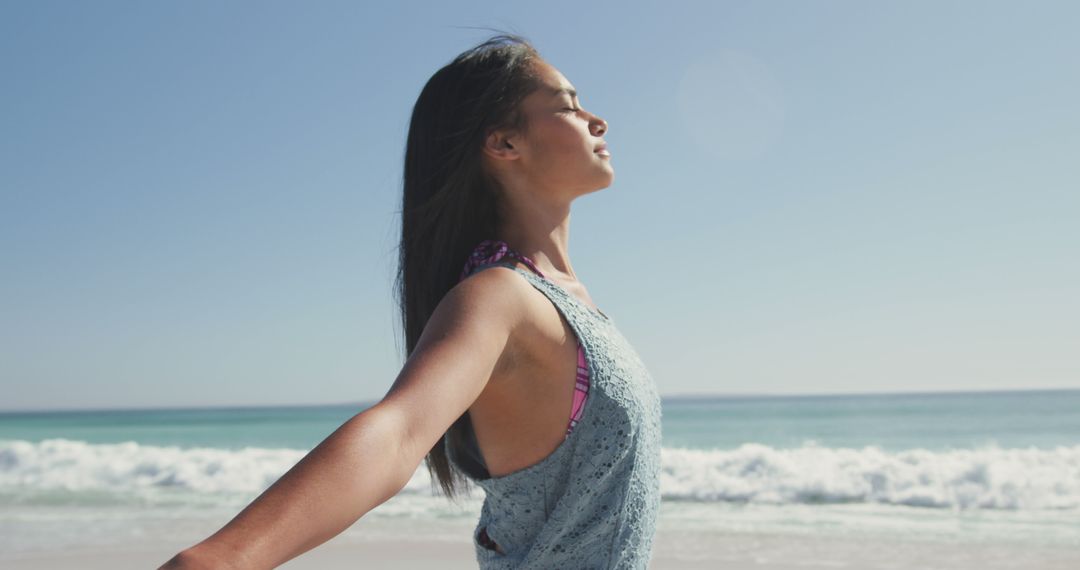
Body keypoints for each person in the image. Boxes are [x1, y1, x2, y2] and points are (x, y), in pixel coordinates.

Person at [160, 33, 662, 569]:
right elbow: (398, 432)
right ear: (503, 143)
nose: (596, 119)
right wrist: (223, 559)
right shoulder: (500, 296)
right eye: (567, 105)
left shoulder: (567, 302)